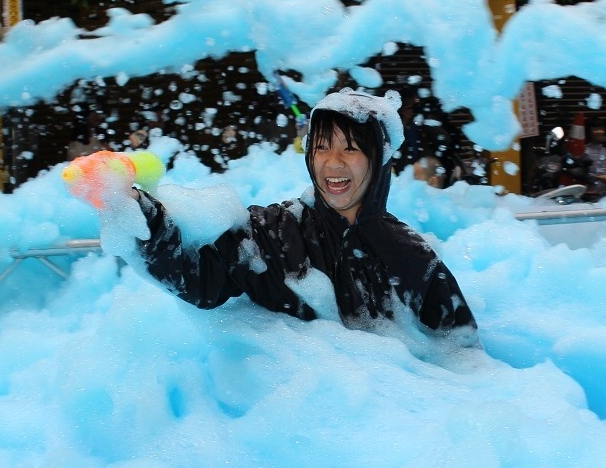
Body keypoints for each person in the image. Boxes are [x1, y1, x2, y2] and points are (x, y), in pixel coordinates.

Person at [132, 89, 479, 343]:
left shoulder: (413, 259)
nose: (333, 163)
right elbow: (199, 280)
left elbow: (460, 360)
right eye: (322, 147)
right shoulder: (272, 234)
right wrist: (139, 215)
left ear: (380, 159)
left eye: (351, 148)